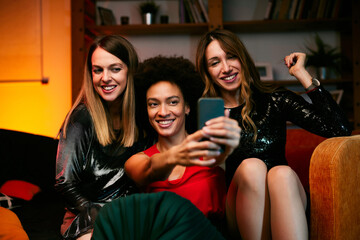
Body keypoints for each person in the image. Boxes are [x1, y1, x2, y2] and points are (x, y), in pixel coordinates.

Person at [195, 29, 352, 240]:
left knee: (282, 174)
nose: (226, 68)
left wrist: (302, 74)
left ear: (242, 58)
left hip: (285, 200)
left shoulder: (275, 100)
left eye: (231, 56)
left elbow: (340, 130)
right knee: (252, 167)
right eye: (215, 62)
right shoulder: (206, 113)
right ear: (207, 71)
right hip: (237, 209)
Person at [124, 56, 241, 228]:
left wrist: (228, 147)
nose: (163, 112)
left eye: (172, 102)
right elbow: (149, 169)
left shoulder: (211, 150)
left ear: (187, 107)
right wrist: (175, 156)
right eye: (153, 104)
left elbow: (222, 161)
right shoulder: (137, 160)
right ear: (146, 110)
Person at [54, 35, 150, 240]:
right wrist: (102, 216)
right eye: (98, 70)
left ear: (130, 71)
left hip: (129, 217)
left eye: (115, 69)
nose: (105, 77)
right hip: (85, 218)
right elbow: (64, 182)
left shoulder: (142, 117)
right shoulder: (81, 118)